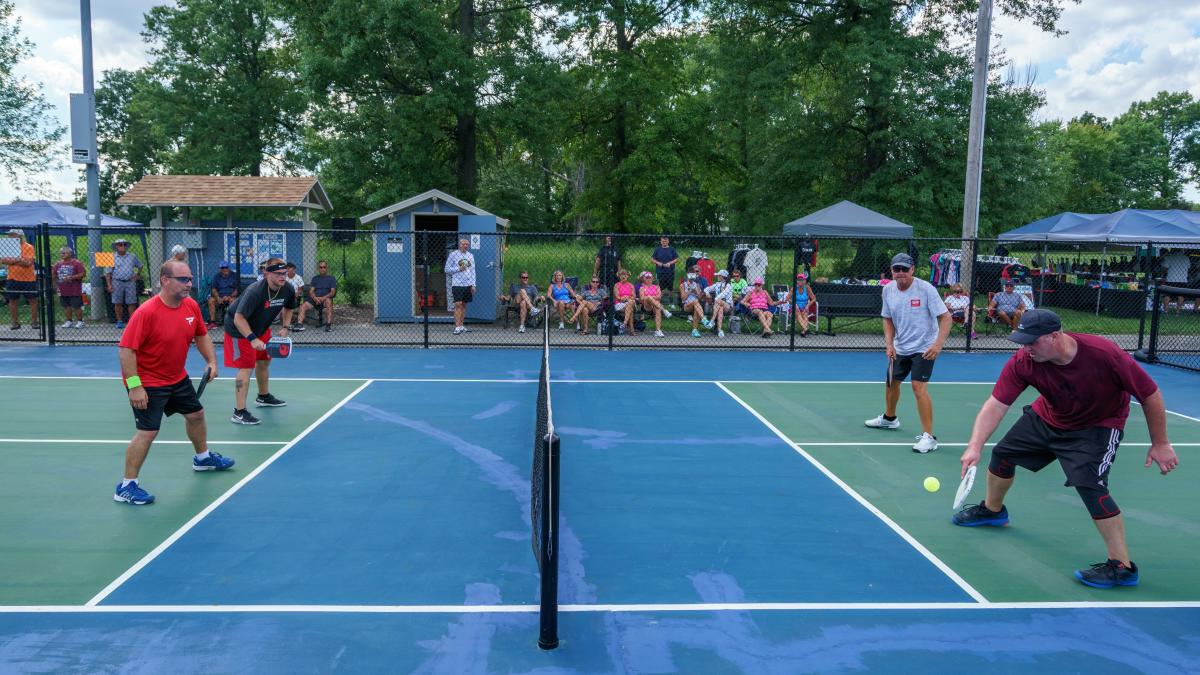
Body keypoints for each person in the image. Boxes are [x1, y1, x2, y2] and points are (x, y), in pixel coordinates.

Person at [954, 309, 1179, 588]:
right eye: (1023, 341)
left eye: (1032, 341)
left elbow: (1149, 394)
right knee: (1002, 455)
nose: (1026, 348)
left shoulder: (1103, 353)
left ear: (1055, 336)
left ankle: (1121, 566)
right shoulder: (1024, 361)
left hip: (1097, 426)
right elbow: (997, 404)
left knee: (1090, 483)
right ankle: (992, 510)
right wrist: (974, 446)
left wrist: (1160, 443)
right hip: (1049, 417)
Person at [114, 259, 229, 505]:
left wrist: (212, 362)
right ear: (165, 281)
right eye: (183, 279)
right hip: (148, 381)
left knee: (196, 414)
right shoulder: (146, 312)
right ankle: (126, 486)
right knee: (148, 432)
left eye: (190, 279)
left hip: (176, 377)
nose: (189, 284)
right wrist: (135, 386)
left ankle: (203, 458)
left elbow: (201, 335)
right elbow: (126, 350)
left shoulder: (190, 306)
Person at [864, 252, 952, 454]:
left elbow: (946, 318)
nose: (901, 273)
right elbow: (887, 318)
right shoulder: (888, 290)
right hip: (900, 346)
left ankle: (929, 437)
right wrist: (889, 344)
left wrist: (937, 345)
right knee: (891, 382)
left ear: (912, 269)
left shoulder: (926, 289)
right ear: (892, 271)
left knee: (917, 387)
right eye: (897, 269)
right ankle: (889, 418)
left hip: (924, 347)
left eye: (905, 269)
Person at [222, 258, 297, 425]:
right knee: (246, 367)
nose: (282, 277)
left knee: (263, 361)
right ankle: (239, 412)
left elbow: (290, 307)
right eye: (278, 274)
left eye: (284, 273)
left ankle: (263, 397)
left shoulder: (288, 289)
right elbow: (238, 318)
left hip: (261, 328)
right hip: (239, 329)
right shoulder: (255, 291)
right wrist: (252, 338)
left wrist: (285, 326)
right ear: (267, 273)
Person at [3, 229, 39, 330]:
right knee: (12, 300)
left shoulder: (28, 247)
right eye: (9, 235)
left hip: (28, 278)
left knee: (32, 300)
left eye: (12, 235)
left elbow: (28, 263)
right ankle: (15, 323)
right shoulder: (8, 246)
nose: (9, 237)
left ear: (19, 236)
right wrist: (19, 259)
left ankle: (34, 322)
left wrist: (12, 260)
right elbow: (3, 260)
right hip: (12, 277)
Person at [105, 238, 144, 328]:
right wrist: (109, 285)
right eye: (120, 244)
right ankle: (119, 321)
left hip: (130, 281)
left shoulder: (132, 256)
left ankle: (132, 321)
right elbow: (108, 273)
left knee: (132, 302)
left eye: (124, 244)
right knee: (117, 302)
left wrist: (137, 275)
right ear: (116, 247)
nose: (122, 246)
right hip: (117, 281)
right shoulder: (111, 257)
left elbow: (140, 265)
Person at [444, 239, 475, 335]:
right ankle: (457, 327)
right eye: (463, 244)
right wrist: (458, 269)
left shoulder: (470, 256)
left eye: (467, 244)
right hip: (457, 284)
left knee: (464, 305)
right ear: (459, 245)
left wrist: (473, 284)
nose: (465, 245)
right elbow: (446, 269)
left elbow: (473, 271)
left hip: (468, 284)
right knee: (458, 304)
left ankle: (461, 325)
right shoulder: (453, 255)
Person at [52, 246, 87, 328]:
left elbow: (83, 274)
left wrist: (71, 277)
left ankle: (80, 321)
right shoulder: (58, 264)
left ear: (70, 254)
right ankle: (69, 321)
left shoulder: (76, 263)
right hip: (63, 289)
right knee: (66, 305)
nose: (62, 254)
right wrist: (56, 287)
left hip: (74, 289)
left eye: (64, 253)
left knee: (76, 305)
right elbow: (54, 275)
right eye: (61, 253)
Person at [296, 260, 336, 332]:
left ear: (327, 268)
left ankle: (328, 325)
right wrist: (315, 298)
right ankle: (299, 325)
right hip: (315, 299)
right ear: (318, 269)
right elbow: (311, 291)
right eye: (320, 267)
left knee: (329, 302)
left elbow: (332, 292)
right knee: (303, 306)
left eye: (324, 267)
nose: (322, 269)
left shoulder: (331, 278)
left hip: (325, 299)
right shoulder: (315, 278)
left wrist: (323, 298)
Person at [780, 272, 818, 337]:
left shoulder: (807, 288)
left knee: (805, 313)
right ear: (797, 281)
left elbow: (814, 299)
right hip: (794, 307)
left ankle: (804, 331)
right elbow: (787, 299)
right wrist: (794, 303)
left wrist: (807, 305)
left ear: (805, 281)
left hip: (804, 307)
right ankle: (806, 328)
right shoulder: (794, 288)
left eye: (802, 280)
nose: (800, 281)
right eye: (799, 280)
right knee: (797, 312)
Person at [637, 271, 670, 337]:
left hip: (656, 306)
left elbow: (659, 297)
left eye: (650, 278)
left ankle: (658, 331)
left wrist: (650, 297)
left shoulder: (657, 287)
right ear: (644, 279)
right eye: (647, 278)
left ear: (653, 278)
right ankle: (664, 310)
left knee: (657, 309)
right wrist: (651, 297)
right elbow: (642, 298)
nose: (648, 279)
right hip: (647, 306)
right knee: (648, 298)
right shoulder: (642, 288)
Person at [207, 261, 239, 329]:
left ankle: (232, 322)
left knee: (233, 301)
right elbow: (214, 289)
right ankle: (213, 322)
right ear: (220, 269)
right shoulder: (217, 276)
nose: (225, 269)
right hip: (220, 297)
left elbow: (237, 289)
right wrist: (218, 297)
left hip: (231, 297)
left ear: (229, 268)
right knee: (211, 300)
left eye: (226, 267)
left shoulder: (234, 276)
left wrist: (229, 296)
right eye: (222, 268)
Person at [679, 268, 710, 338]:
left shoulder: (697, 285)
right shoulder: (683, 285)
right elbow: (683, 298)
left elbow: (699, 298)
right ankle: (704, 319)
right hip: (686, 305)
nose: (692, 277)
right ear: (687, 275)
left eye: (693, 274)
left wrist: (696, 291)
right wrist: (690, 290)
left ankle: (695, 331)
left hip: (696, 306)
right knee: (696, 302)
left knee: (696, 307)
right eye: (691, 274)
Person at [703, 269, 734, 338]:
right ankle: (720, 330)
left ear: (723, 276)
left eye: (719, 275)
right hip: (719, 306)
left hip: (728, 306)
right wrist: (707, 293)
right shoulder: (717, 284)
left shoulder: (729, 286)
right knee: (720, 308)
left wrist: (716, 299)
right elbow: (706, 289)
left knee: (718, 301)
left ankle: (712, 321)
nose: (717, 276)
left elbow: (723, 294)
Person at [1161, 249, 1192, 314]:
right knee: (1181, 295)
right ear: (1181, 251)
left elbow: (1165, 268)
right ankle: (1178, 311)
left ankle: (1166, 311)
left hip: (1171, 279)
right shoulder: (1186, 258)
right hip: (1182, 279)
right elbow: (1189, 267)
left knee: (1167, 295)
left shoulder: (1169, 257)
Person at [613, 269, 637, 335]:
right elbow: (617, 297)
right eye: (621, 275)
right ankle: (631, 330)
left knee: (630, 303)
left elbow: (634, 296)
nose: (623, 276)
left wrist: (626, 298)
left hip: (629, 302)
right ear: (619, 276)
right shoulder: (617, 285)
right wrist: (626, 298)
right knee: (630, 309)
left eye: (625, 274)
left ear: (627, 276)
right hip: (619, 304)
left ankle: (624, 324)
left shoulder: (631, 285)